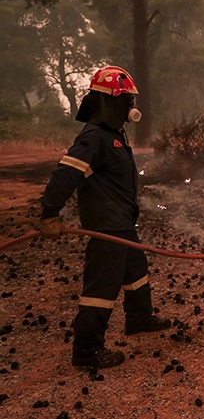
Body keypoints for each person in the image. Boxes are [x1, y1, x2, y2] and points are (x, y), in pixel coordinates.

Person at [39, 65, 171, 369]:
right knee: (102, 286)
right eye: (128, 100)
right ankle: (86, 350)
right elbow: (65, 174)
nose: (132, 106)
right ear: (111, 101)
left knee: (136, 270)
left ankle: (138, 318)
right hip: (106, 227)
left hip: (123, 223)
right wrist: (50, 213)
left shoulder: (114, 134)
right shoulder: (94, 137)